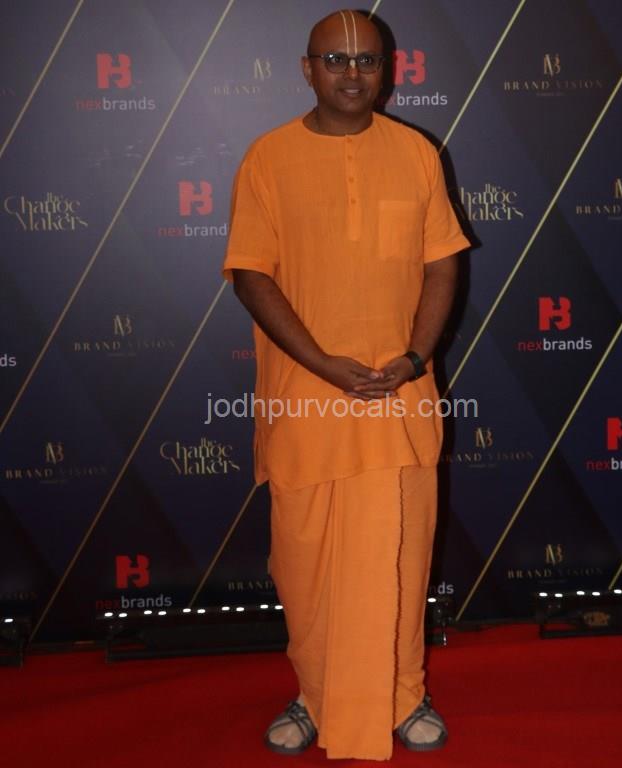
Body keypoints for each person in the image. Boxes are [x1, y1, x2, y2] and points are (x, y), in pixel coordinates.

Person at [222, 8, 470, 760]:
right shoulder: (267, 158)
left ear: (386, 72)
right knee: (305, 564)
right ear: (307, 69)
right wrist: (322, 363)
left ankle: (404, 695)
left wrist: (415, 357)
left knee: (400, 558)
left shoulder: (416, 153)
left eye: (366, 61)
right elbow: (250, 273)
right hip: (307, 399)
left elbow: (441, 263)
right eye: (336, 60)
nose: (352, 73)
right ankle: (315, 697)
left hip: (399, 397)